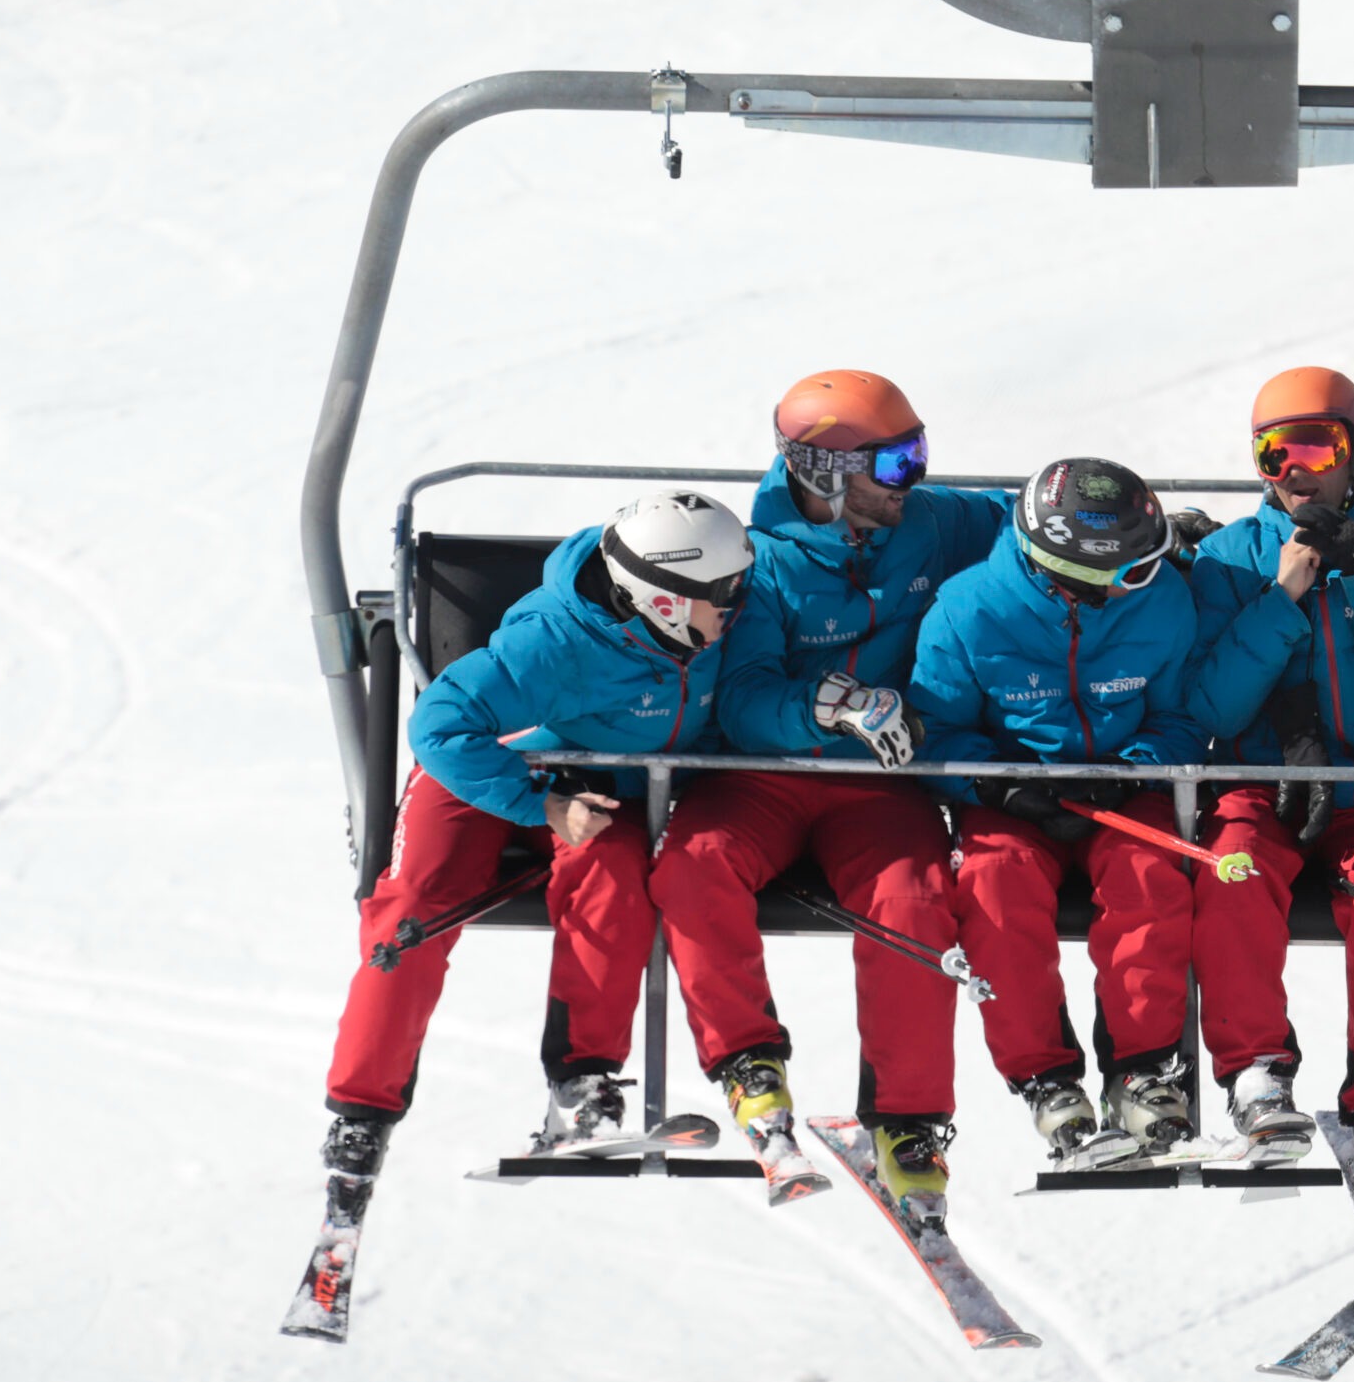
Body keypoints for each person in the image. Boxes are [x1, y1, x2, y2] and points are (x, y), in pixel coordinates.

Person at [313, 490, 766, 1212]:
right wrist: (538, 805)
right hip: (477, 777)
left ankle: (581, 1088)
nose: (743, 604)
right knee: (415, 912)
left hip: (585, 789)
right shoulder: (557, 640)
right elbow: (440, 727)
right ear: (666, 601)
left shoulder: (705, 631)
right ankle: (360, 1117)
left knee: (614, 876)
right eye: (726, 595)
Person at [664, 371, 1009, 1209]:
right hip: (766, 778)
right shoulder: (757, 560)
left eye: (918, 454)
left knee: (914, 897)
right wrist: (830, 706)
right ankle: (748, 1062)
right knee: (692, 866)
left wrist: (1140, 527)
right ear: (823, 472)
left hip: (879, 784)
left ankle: (907, 1114)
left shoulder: (935, 524)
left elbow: (1031, 519)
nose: (913, 480)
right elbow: (741, 702)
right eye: (893, 465)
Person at [908, 458, 1212, 1162]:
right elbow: (938, 733)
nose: (1145, 579)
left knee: (1150, 877)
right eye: (1130, 571)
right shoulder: (968, 610)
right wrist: (999, 786)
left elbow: (1182, 715)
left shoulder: (1162, 602)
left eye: (1150, 561)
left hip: (1123, 794)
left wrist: (1132, 770)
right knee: (993, 886)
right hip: (1014, 801)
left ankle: (1143, 1068)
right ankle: (1045, 1078)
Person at [1182, 368, 1354, 1157]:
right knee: (1230, 872)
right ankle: (1257, 1073)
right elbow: (1212, 709)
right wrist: (1281, 600)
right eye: (1273, 452)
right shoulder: (1230, 559)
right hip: (1262, 786)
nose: (1294, 468)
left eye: (1314, 446)